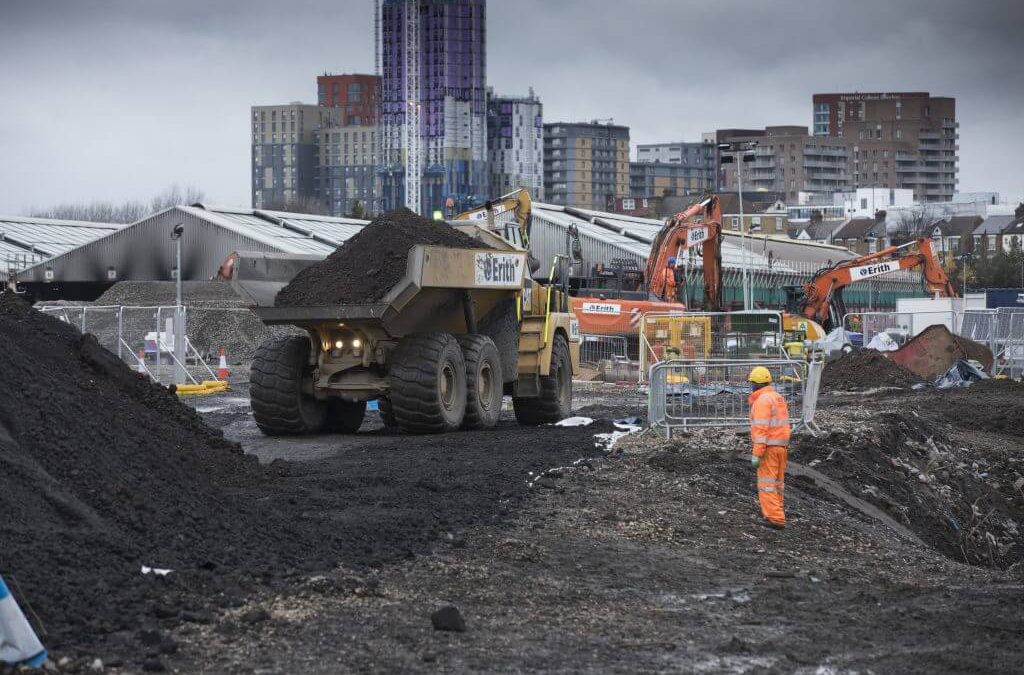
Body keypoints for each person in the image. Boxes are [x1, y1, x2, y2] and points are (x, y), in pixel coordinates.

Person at [747, 366, 790, 529]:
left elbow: (761, 429)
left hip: (769, 449)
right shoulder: (777, 397)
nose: (751, 386)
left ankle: (775, 518)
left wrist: (757, 453)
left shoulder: (762, 401)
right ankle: (777, 512)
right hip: (781, 447)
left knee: (767, 484)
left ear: (756, 384)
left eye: (752, 383)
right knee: (777, 483)